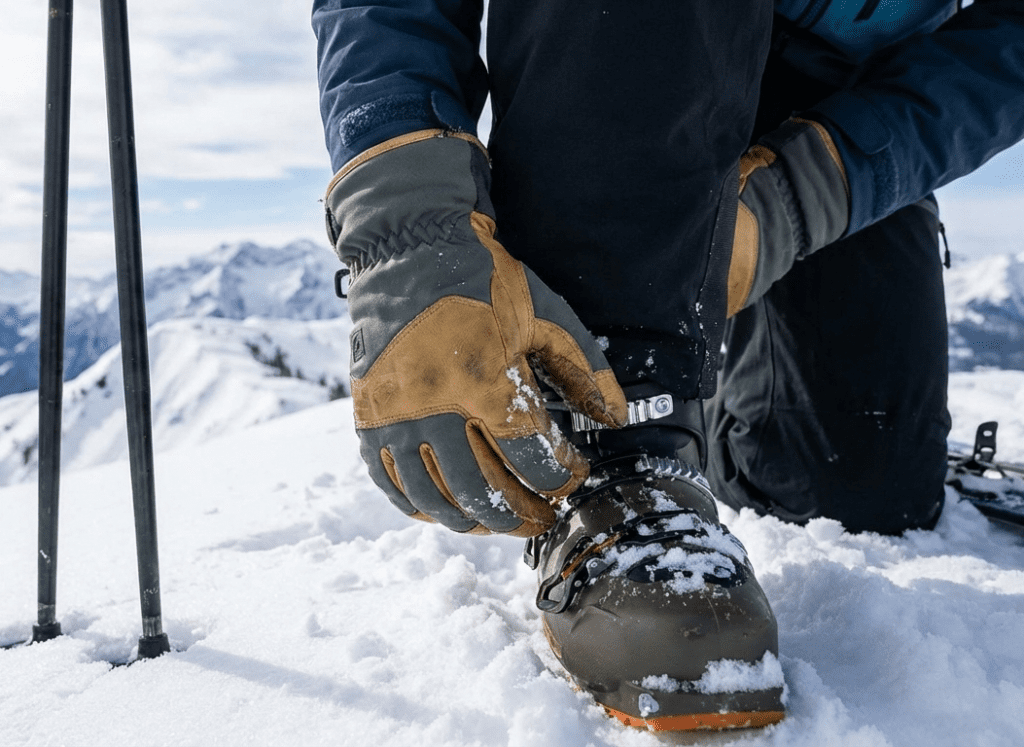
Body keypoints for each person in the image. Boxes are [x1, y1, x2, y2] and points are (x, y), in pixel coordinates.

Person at [311, 0, 1024, 732]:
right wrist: (407, 224)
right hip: (627, 42)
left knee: (861, 479)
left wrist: (808, 191)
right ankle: (624, 456)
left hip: (853, 89)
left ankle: (698, 380)